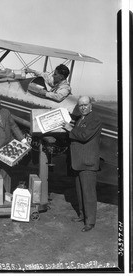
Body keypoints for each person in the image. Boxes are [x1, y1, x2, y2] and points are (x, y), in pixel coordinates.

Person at [61, 96, 102, 232]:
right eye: (80, 105)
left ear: (91, 105)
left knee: (88, 193)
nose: (83, 107)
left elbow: (84, 136)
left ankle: (90, 222)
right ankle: (82, 215)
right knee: (80, 191)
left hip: (88, 161)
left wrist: (69, 129)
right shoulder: (81, 118)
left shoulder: (94, 118)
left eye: (85, 105)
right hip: (79, 161)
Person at [0, 90, 29, 205]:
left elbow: (14, 127)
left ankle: (7, 199)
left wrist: (23, 140)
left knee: (6, 176)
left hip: (8, 151)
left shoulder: (6, 112)